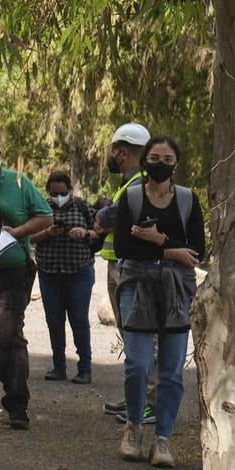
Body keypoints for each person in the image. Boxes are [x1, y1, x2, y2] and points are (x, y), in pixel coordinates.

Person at [98, 136, 205, 468]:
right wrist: (172, 250)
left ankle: (163, 437)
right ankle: (133, 426)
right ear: (145, 160)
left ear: (177, 162)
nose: (161, 163)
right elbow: (126, 248)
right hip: (137, 284)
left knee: (172, 370)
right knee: (138, 364)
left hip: (177, 289)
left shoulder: (188, 199)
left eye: (168, 157)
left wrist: (158, 241)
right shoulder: (132, 197)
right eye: (155, 157)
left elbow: (198, 251)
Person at [0, 127, 52, 429]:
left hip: (9, 274)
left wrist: (15, 232)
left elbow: (45, 216)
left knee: (5, 338)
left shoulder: (18, 183)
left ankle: (17, 403)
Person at [94, 123, 151, 423]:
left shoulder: (140, 183)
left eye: (114, 151)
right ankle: (135, 398)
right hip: (119, 266)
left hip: (132, 269)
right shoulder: (127, 183)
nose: (112, 156)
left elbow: (113, 217)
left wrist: (103, 217)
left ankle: (148, 403)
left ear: (124, 151)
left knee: (140, 338)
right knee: (130, 338)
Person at [29, 169, 97, 383]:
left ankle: (85, 368)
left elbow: (98, 233)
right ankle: (59, 367)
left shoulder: (82, 206)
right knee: (54, 321)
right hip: (49, 273)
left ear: (69, 190)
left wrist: (84, 233)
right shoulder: (42, 208)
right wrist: (48, 232)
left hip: (79, 272)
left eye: (62, 192)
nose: (59, 197)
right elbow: (30, 237)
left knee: (79, 320)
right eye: (54, 193)